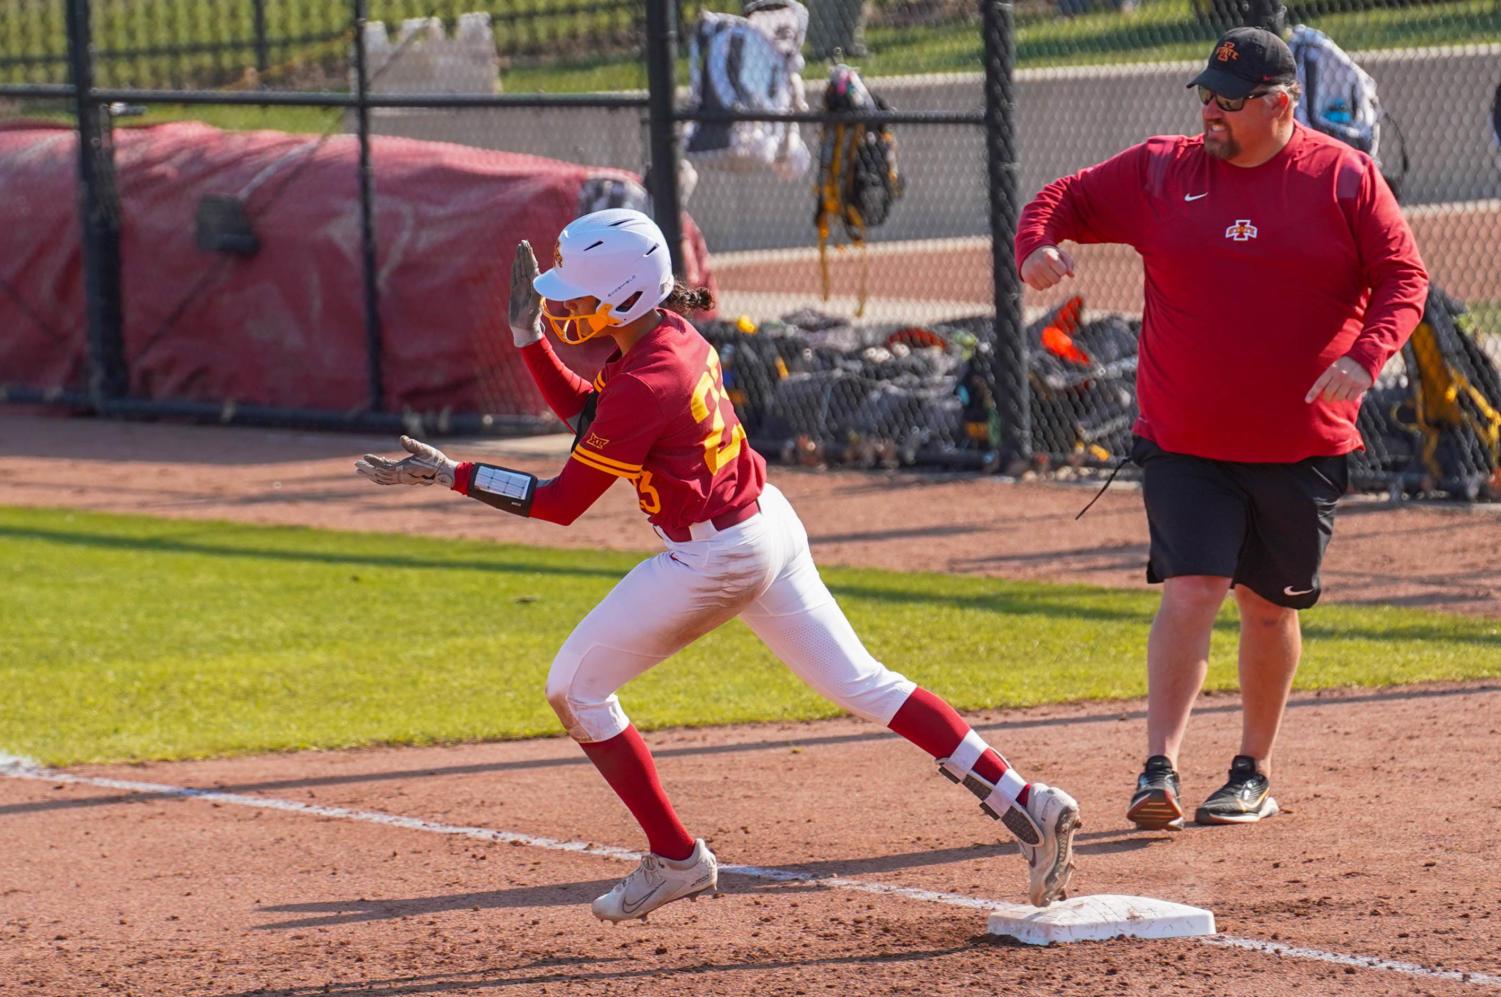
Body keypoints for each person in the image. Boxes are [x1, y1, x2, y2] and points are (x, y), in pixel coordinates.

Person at [355, 207, 1080, 920]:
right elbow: (592, 416)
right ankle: (1024, 799)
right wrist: (528, 340)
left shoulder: (647, 376)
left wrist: (453, 474)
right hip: (764, 525)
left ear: (625, 293)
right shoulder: (667, 335)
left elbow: (561, 501)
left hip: (715, 555)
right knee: (866, 682)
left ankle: (675, 858)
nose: (566, 307)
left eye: (578, 295)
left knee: (574, 689)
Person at [1016, 28, 1427, 830]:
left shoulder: (1342, 178)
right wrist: (1037, 245)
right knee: (1192, 588)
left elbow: (1402, 278)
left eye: (1228, 100)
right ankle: (1157, 766)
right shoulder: (1162, 170)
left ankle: (1251, 769)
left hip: (1299, 439)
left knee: (1267, 606)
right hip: (1182, 434)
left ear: (1281, 104)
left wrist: (1365, 357)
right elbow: (1063, 197)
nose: (1209, 109)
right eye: (1204, 93)